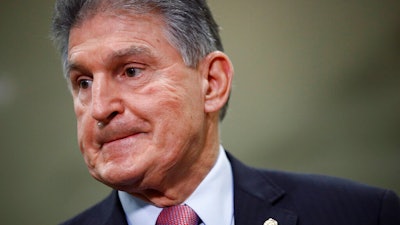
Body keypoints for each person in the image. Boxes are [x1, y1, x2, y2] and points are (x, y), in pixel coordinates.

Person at [51, 0, 400, 224]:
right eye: (83, 82)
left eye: (131, 71)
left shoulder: (363, 214)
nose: (99, 107)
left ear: (212, 82)